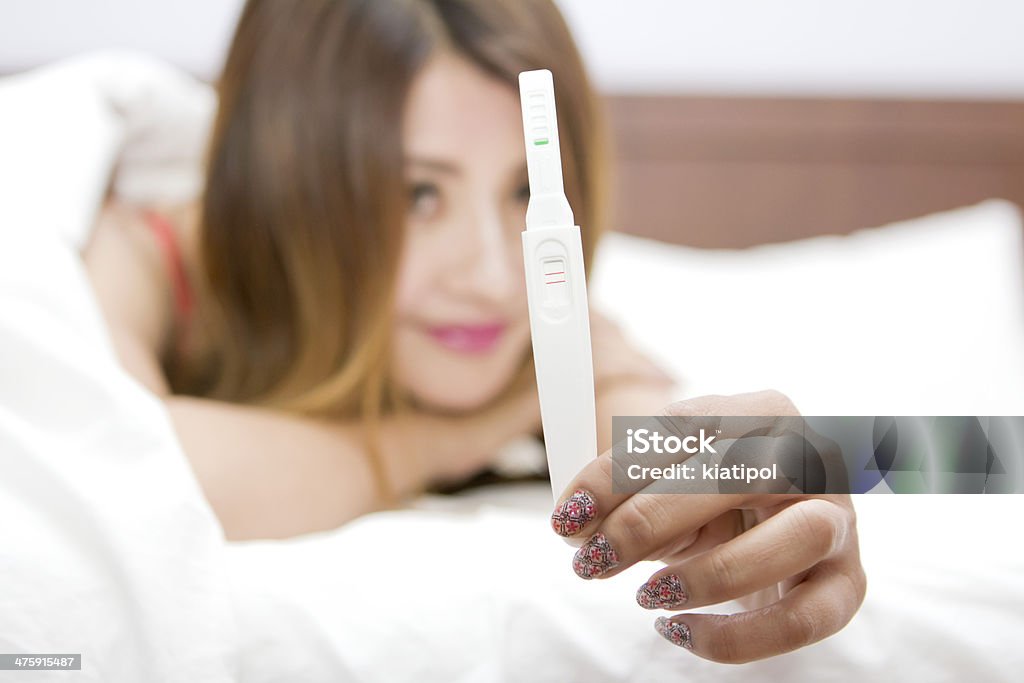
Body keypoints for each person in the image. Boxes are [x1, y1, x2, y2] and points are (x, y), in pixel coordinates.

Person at [82, 0, 864, 663]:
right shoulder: (140, 259)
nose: (494, 276)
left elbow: (627, 421)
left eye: (525, 189)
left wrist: (735, 514)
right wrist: (467, 427)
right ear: (287, 182)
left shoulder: (545, 324)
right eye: (420, 193)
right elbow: (145, 472)